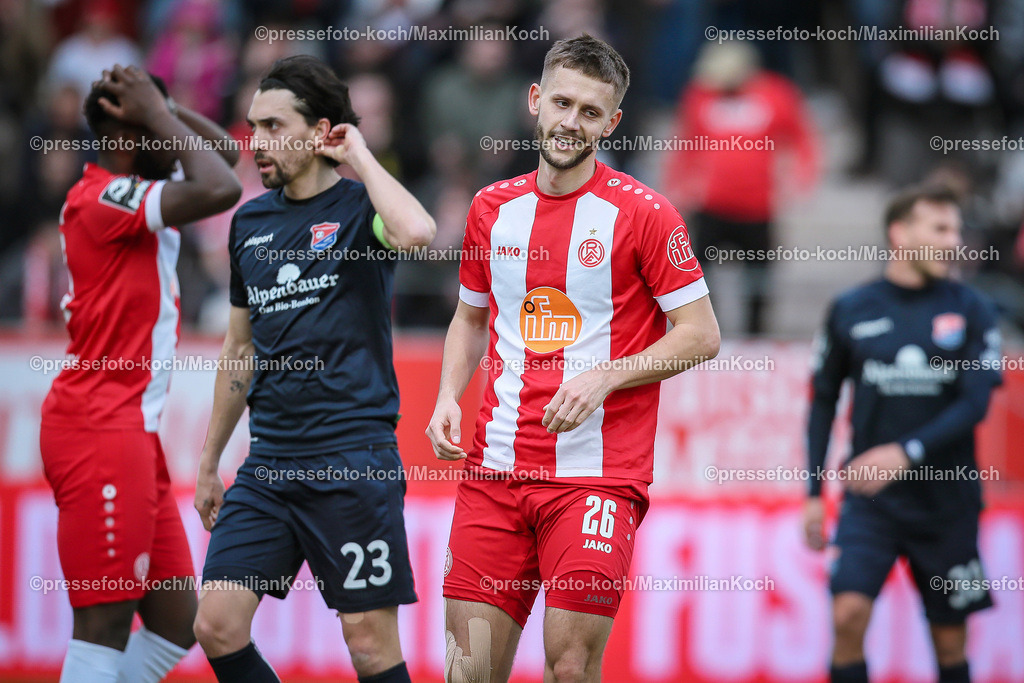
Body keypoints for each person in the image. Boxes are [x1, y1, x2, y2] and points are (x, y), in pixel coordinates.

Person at [426, 34, 721, 683]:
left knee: (570, 666)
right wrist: (449, 392)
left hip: (595, 478)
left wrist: (607, 375)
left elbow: (701, 333)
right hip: (494, 471)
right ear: (535, 100)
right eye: (562, 102)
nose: (570, 121)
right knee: (467, 673)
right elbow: (470, 318)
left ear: (611, 122)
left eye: (590, 111)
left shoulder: (646, 214)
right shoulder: (490, 209)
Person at [191, 55, 435, 683]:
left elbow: (417, 231)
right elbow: (238, 351)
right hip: (269, 464)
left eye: (273, 126)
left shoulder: (361, 211)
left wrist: (357, 155)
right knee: (216, 624)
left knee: (370, 646)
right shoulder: (249, 222)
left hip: (352, 460)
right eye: (251, 126)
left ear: (320, 129)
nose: (257, 142)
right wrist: (209, 461)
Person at [40, 65, 242, 683]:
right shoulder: (103, 198)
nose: (172, 133)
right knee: (102, 627)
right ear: (132, 131)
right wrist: (155, 112)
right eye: (157, 118)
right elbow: (222, 188)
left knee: (177, 622)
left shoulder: (128, 192)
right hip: (97, 428)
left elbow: (224, 156)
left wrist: (162, 106)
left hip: (130, 430)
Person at [803, 184, 1003, 683]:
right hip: (873, 503)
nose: (953, 241)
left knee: (950, 643)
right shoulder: (851, 308)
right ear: (900, 233)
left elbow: (976, 403)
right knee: (847, 617)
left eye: (956, 229)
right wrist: (812, 493)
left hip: (947, 504)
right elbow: (823, 401)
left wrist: (906, 452)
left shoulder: (974, 309)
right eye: (940, 228)